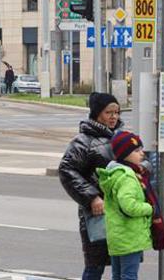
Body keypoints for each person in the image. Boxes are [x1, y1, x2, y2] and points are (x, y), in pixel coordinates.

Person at [59, 92, 123, 280]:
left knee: (121, 264)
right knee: (95, 266)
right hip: (97, 213)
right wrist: (92, 197)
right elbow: (66, 170)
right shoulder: (83, 141)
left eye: (117, 112)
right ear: (97, 114)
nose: (113, 117)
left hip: (121, 210)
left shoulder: (119, 137)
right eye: (108, 112)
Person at [97, 131, 154, 280]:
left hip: (117, 236)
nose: (141, 153)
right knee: (129, 276)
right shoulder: (128, 176)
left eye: (141, 149)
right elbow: (128, 206)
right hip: (129, 236)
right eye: (136, 150)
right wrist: (149, 208)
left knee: (118, 275)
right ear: (124, 154)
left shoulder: (115, 172)